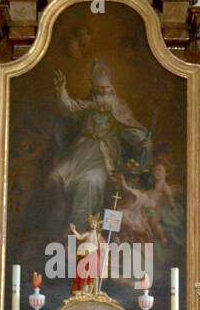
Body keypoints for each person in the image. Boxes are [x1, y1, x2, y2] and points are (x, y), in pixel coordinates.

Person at [50, 59, 151, 227]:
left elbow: (132, 130)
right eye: (100, 91)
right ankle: (57, 223)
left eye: (107, 90)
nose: (103, 94)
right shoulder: (89, 105)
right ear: (95, 92)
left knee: (90, 182)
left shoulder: (119, 108)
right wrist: (61, 90)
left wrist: (142, 141)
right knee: (55, 177)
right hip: (79, 155)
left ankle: (81, 231)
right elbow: (69, 107)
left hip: (104, 160)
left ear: (112, 90)